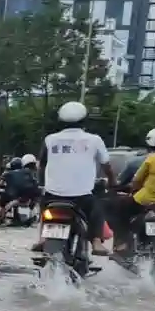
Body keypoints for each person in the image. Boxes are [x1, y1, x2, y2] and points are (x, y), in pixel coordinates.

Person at [39, 101, 115, 252]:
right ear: (85, 120)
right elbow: (106, 166)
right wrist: (113, 182)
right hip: (82, 196)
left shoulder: (50, 139)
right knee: (96, 207)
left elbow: (41, 165)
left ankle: (42, 238)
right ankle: (96, 241)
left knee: (43, 207)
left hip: (53, 195)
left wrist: (41, 183)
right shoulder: (94, 140)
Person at [0, 155, 39, 222]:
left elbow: (1, 183)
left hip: (15, 196)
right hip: (27, 197)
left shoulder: (8, 173)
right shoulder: (28, 173)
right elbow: (35, 184)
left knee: (2, 201)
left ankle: (0, 218)